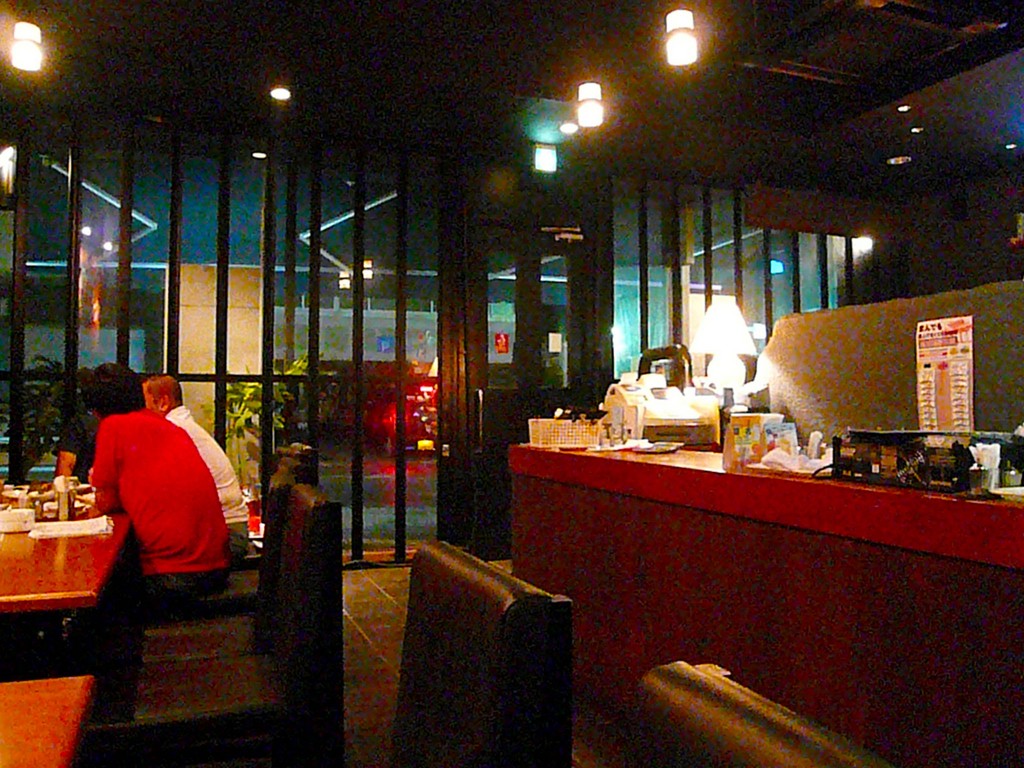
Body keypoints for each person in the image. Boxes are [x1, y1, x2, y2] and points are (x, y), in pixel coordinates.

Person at [81, 363, 229, 615]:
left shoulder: (113, 426)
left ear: (96, 411)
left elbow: (106, 503)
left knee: (97, 596)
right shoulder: (169, 426)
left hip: (174, 576)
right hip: (217, 566)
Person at [143, 374, 251, 568]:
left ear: (163, 403)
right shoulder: (183, 425)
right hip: (228, 529)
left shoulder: (173, 429)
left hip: (227, 535)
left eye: (144, 403)